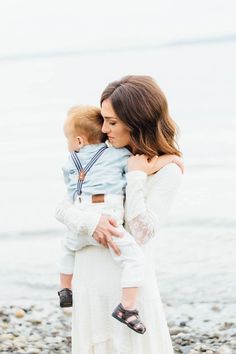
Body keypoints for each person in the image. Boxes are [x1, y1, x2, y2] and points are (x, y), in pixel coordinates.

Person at [56, 75, 183, 354]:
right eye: (103, 120)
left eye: (112, 122)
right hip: (90, 279)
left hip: (127, 288)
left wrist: (137, 176)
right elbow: (64, 208)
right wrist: (91, 222)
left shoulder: (166, 170)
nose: (103, 130)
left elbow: (140, 233)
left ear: (137, 121)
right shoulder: (104, 161)